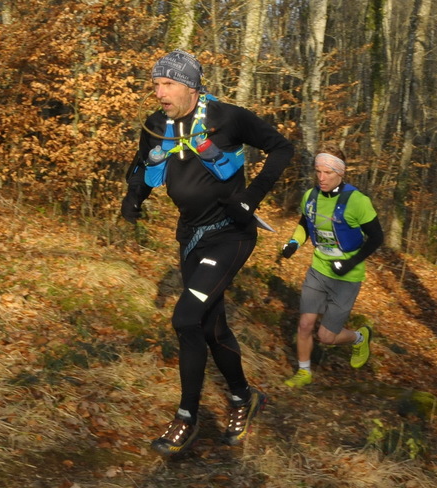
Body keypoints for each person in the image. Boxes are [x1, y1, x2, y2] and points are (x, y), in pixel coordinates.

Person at [121, 50, 294, 456]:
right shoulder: (156, 124)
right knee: (212, 328)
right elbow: (141, 164)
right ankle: (244, 397)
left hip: (230, 234)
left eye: (168, 84)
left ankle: (187, 417)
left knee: (185, 319)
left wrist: (251, 197)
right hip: (190, 237)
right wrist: (134, 197)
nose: (159, 92)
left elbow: (282, 148)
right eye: (155, 84)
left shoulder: (228, 117)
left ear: (191, 87)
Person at [280, 143, 384, 387]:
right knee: (305, 324)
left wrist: (350, 263)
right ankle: (304, 372)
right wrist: (294, 243)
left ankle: (359, 337)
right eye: (318, 171)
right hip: (318, 270)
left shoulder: (358, 201)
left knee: (326, 336)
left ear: (340, 172)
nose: (321, 178)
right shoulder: (311, 196)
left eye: (327, 172)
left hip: (347, 277)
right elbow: (305, 224)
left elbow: (377, 237)